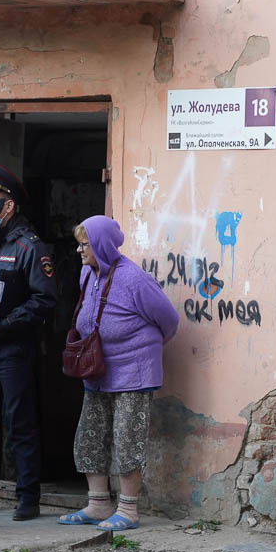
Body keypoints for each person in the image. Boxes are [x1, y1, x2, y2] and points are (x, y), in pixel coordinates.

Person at [57, 216, 178, 531]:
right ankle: (97, 504)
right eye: (79, 244)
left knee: (127, 439)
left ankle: (128, 509)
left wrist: (141, 350)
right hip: (97, 371)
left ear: (101, 245)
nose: (80, 251)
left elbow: (169, 320)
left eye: (85, 244)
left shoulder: (134, 279)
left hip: (133, 373)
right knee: (90, 436)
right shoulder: (88, 272)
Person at [0, 164, 57, 521]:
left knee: (19, 423)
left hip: (12, 349)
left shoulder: (30, 247)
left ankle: (27, 497)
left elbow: (44, 300)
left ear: (8, 207)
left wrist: (3, 326)